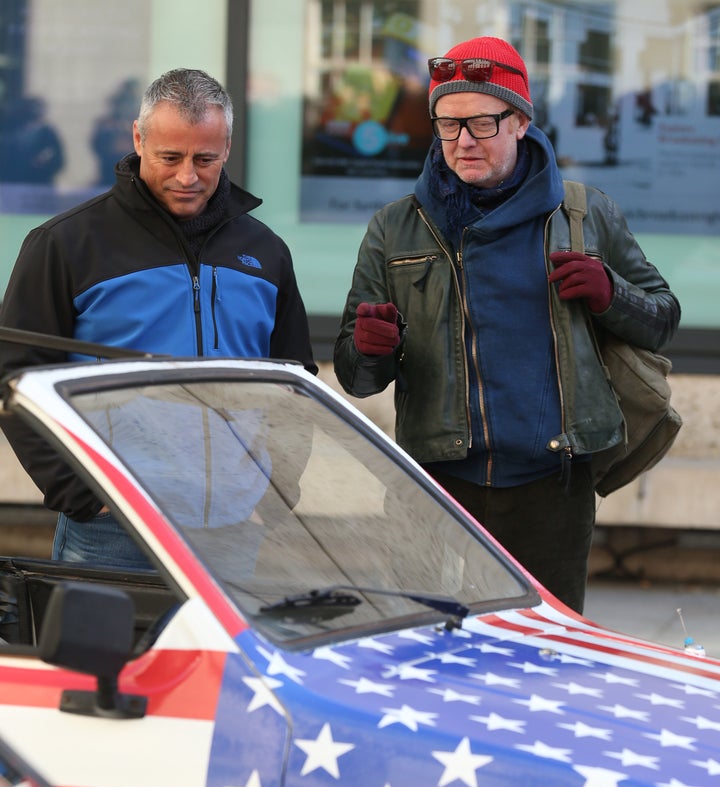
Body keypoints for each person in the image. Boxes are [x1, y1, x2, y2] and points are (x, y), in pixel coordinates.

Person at [333, 37, 680, 613]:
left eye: (481, 124)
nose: (462, 142)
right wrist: (371, 350)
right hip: (437, 487)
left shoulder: (583, 215)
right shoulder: (395, 228)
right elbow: (356, 376)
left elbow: (662, 318)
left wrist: (609, 294)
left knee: (546, 661)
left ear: (520, 122)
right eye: (447, 125)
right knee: (429, 655)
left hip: (552, 488)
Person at [0, 68, 316, 569]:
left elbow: (295, 384)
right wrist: (81, 494)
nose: (187, 176)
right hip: (112, 529)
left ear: (227, 147)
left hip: (233, 531)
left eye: (205, 159)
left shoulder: (266, 253)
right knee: (104, 652)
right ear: (138, 139)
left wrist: (275, 493)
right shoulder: (66, 245)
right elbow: (14, 378)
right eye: (170, 157)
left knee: (215, 655)